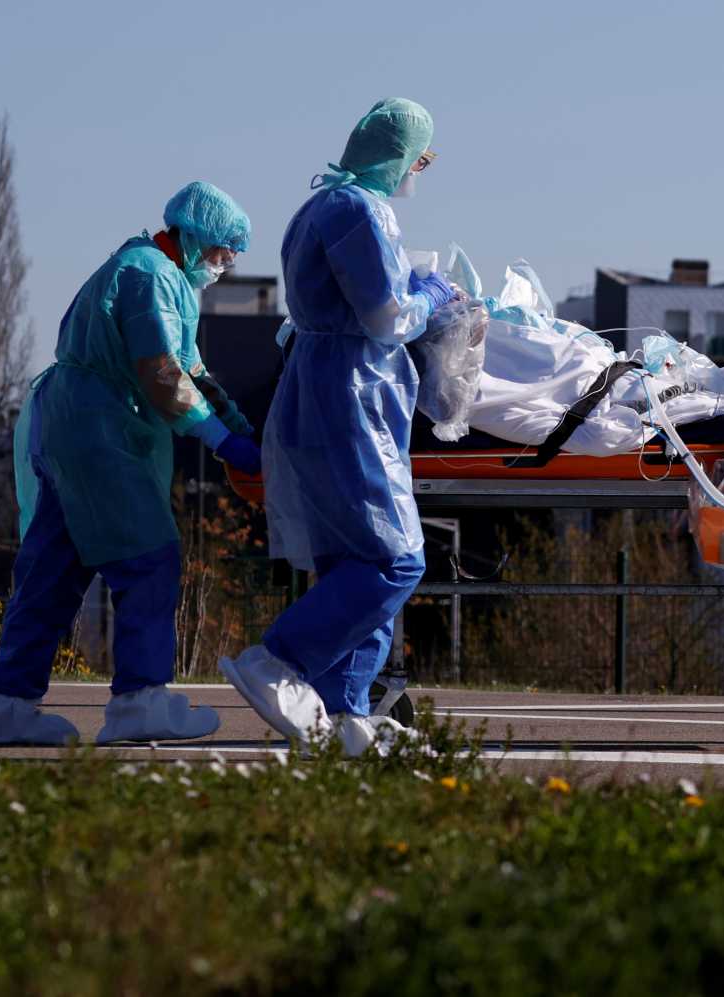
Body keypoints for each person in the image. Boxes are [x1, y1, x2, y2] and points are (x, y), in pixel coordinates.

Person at [0, 181, 256, 746]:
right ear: (195, 236)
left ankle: (9, 707)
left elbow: (193, 370)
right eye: (224, 250)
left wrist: (241, 428)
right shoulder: (150, 276)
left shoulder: (151, 272)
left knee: (52, 569)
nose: (228, 263)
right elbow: (164, 375)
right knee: (149, 558)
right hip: (102, 434)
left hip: (72, 430)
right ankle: (140, 702)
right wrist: (225, 442)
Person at [219, 98, 454, 757]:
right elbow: (384, 316)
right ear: (402, 154)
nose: (420, 173)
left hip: (324, 391)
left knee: (351, 565)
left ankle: (345, 713)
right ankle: (278, 660)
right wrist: (433, 294)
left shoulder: (320, 206)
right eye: (422, 160)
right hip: (350, 396)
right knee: (393, 561)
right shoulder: (358, 209)